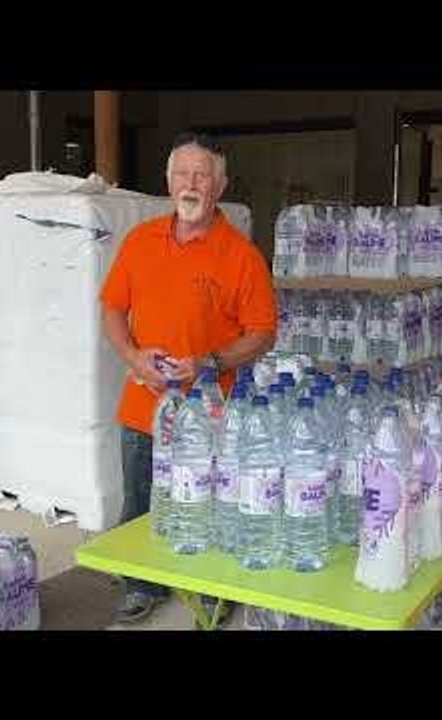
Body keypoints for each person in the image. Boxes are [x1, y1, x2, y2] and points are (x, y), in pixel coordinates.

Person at [99, 132, 277, 625]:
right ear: (168, 181)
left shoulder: (241, 256)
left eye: (203, 175)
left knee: (210, 503)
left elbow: (262, 333)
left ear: (220, 185)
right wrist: (133, 357)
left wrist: (209, 363)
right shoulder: (140, 242)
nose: (192, 184)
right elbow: (112, 308)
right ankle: (142, 585)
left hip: (212, 412)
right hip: (144, 403)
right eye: (183, 174)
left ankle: (212, 590)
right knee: (139, 498)